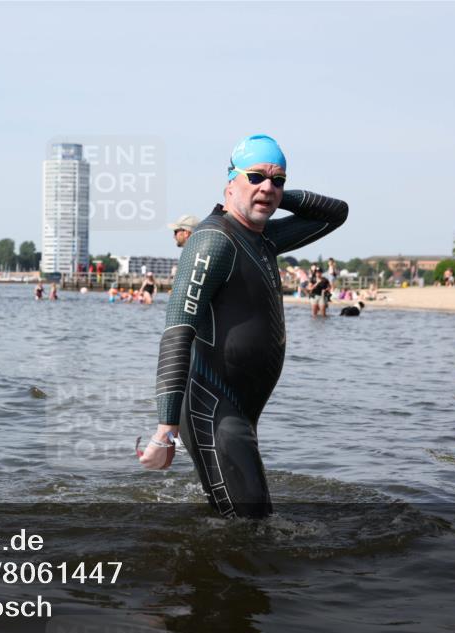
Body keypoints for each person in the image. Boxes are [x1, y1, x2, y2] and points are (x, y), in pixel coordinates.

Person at [140, 134, 348, 518]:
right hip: (213, 410)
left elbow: (337, 212)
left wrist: (272, 193)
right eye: (255, 177)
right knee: (250, 527)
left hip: (241, 413)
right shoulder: (213, 241)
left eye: (278, 180)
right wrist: (165, 429)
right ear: (229, 184)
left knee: (246, 523)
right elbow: (176, 332)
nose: (268, 187)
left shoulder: (263, 237)